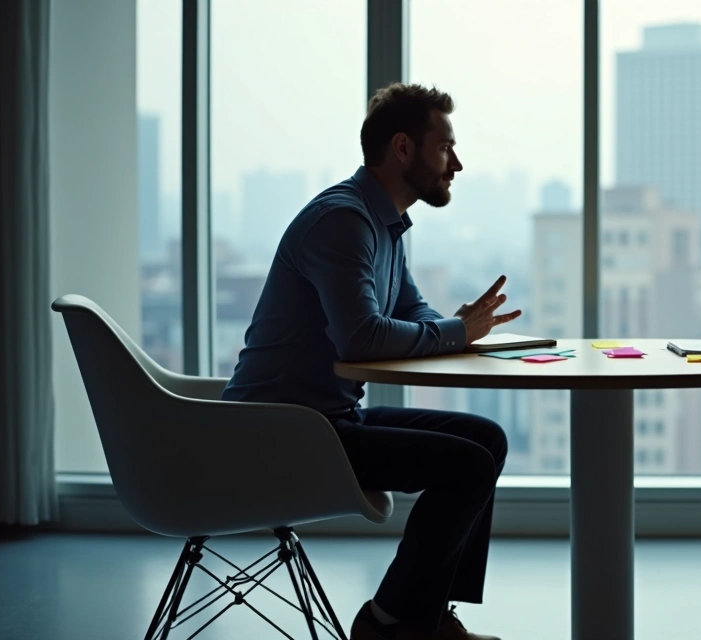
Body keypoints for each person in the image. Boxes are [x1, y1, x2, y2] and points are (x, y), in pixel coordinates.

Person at [221, 83, 517, 640]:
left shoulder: (385, 225)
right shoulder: (343, 221)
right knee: (469, 466)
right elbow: (361, 338)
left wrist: (460, 328)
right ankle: (388, 623)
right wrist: (454, 333)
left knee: (487, 440)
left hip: (328, 418)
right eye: (445, 147)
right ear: (403, 148)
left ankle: (427, 618)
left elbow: (409, 309)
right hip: (279, 430)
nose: (456, 164)